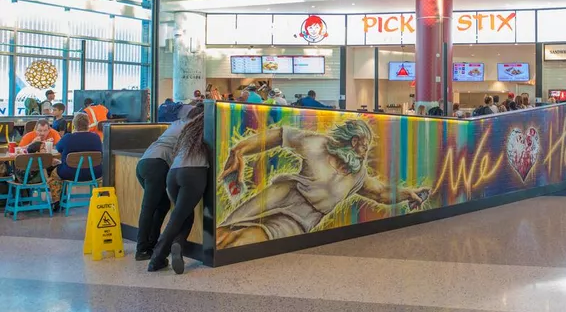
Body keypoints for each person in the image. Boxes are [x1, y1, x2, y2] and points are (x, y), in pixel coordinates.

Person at [216, 119, 430, 248]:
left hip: (299, 221)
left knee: (247, 239)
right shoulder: (318, 144)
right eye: (365, 147)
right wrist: (239, 150)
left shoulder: (357, 176)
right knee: (224, 234)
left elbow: (381, 193)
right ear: (354, 142)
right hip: (278, 196)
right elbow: (279, 135)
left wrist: (408, 193)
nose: (365, 153)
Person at [136, 105, 203, 261]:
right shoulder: (191, 127)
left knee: (162, 205)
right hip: (158, 164)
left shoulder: (178, 123)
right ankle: (142, 249)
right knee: (150, 207)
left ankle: (151, 244)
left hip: (145, 162)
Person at [149, 106, 209, 275]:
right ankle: (157, 258)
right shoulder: (209, 127)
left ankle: (178, 245)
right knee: (177, 217)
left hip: (173, 173)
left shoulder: (188, 129)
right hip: (193, 173)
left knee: (185, 215)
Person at [54, 112, 103, 183]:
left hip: (70, 173)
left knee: (53, 174)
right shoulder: (96, 137)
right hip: (95, 173)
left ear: (74, 125)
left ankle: (60, 193)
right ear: (88, 124)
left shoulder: (67, 138)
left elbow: (58, 148)